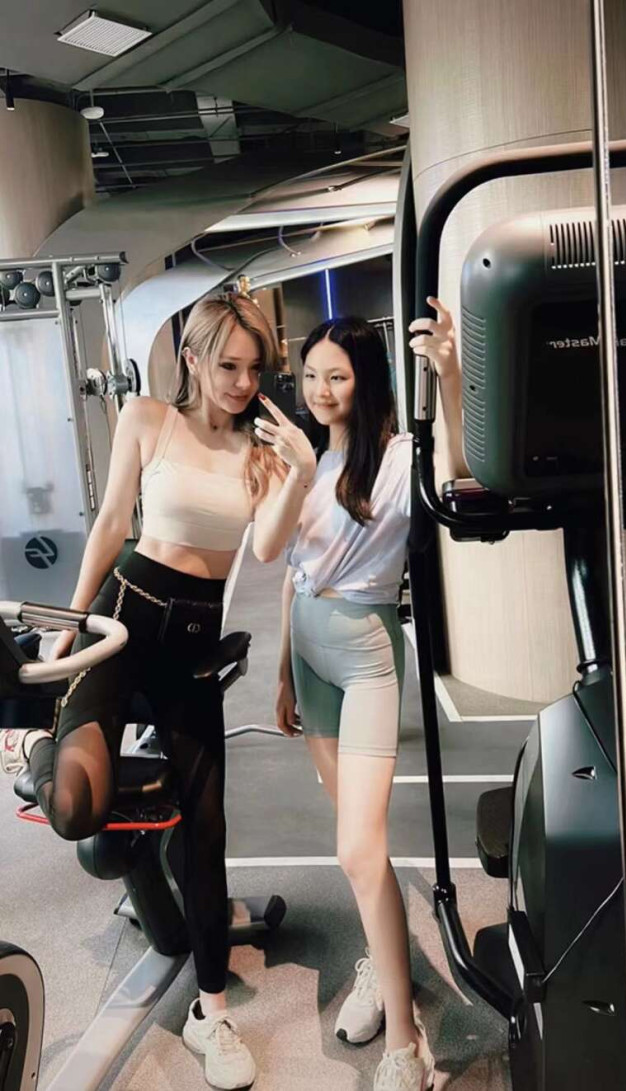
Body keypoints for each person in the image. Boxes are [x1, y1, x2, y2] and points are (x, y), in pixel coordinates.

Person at [0, 291, 312, 1091]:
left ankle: (213, 1009)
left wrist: (303, 469)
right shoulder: (147, 417)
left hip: (194, 649)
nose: (242, 383)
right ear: (194, 359)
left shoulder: (263, 451)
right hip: (123, 620)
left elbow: (269, 550)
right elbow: (112, 525)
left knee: (206, 828)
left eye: (254, 368)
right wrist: (70, 624)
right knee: (76, 808)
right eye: (228, 365)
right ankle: (37, 744)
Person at [252, 296, 465, 1091]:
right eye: (310, 374)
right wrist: (282, 671)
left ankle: (406, 1046)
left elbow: (462, 475)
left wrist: (449, 377)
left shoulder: (402, 457)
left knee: (356, 846)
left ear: (366, 379)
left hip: (367, 656)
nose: (319, 389)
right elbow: (279, 561)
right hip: (309, 655)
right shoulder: (303, 458)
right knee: (361, 847)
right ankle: (382, 960)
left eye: (336, 376)